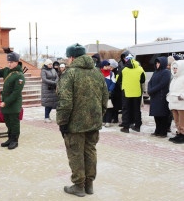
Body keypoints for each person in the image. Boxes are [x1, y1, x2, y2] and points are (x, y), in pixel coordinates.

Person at [57, 43, 108, 197]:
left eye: (68, 57)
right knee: (90, 151)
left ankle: (79, 185)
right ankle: (89, 184)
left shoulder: (69, 74)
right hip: (94, 122)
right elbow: (105, 98)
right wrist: (99, 116)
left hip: (75, 124)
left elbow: (65, 102)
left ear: (72, 57)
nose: (67, 60)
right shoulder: (97, 73)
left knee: (75, 153)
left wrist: (62, 122)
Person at [0, 52, 25, 150]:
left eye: (12, 62)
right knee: (8, 121)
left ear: (17, 62)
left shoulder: (19, 76)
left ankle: (15, 141)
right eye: (8, 62)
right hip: (5, 102)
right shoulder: (6, 71)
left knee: (14, 122)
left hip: (13, 103)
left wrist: (6, 102)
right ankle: (10, 139)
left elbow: (16, 92)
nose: (9, 64)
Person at [118, 56, 146, 133]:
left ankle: (126, 127)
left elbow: (118, 79)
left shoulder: (124, 69)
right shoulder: (140, 69)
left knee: (126, 109)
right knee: (137, 109)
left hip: (126, 92)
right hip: (137, 92)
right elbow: (143, 79)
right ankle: (137, 126)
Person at [148, 57, 171, 137]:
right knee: (156, 115)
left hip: (161, 97)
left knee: (162, 115)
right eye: (156, 63)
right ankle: (157, 130)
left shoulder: (166, 72)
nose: (157, 64)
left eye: (159, 63)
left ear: (163, 63)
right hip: (154, 97)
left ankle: (163, 132)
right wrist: (149, 89)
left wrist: (152, 90)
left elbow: (162, 84)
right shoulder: (155, 72)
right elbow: (150, 82)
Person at [167, 60, 184, 143]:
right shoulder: (174, 78)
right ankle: (179, 133)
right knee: (176, 120)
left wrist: (182, 96)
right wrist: (169, 97)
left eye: (176, 68)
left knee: (182, 121)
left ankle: (183, 134)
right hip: (174, 103)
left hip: (181, 104)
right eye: (173, 68)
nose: (174, 70)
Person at [100, 60, 116, 127]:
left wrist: (110, 90)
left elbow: (113, 82)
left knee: (108, 107)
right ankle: (103, 120)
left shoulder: (111, 73)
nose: (108, 67)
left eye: (108, 65)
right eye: (106, 65)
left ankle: (108, 121)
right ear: (103, 66)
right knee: (102, 107)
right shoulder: (99, 73)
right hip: (100, 92)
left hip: (108, 92)